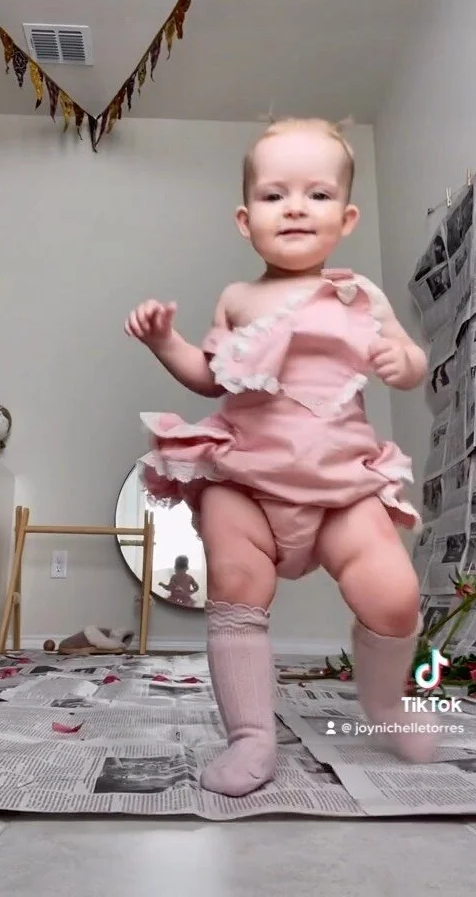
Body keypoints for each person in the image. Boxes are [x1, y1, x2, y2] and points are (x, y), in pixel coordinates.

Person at [125, 118, 433, 798]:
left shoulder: (360, 294)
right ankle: (251, 735)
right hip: (247, 481)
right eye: (274, 195)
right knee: (236, 585)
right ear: (246, 220)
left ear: (346, 218)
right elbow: (210, 378)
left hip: (340, 490)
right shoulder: (239, 299)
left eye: (317, 194)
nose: (295, 208)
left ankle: (385, 704)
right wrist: (165, 342)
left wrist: (401, 361)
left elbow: (411, 360)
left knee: (394, 595)